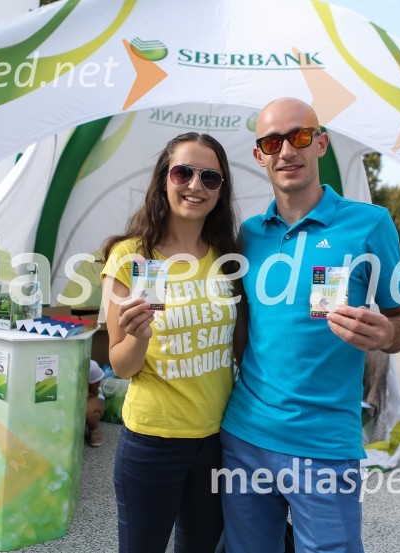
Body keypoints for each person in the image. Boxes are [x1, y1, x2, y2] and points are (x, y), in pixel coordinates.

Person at [220, 98, 400, 553]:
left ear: (321, 144)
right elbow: (243, 330)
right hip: (244, 438)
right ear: (259, 156)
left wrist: (387, 335)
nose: (286, 150)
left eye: (300, 136)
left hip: (325, 446)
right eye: (272, 141)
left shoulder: (370, 224)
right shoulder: (248, 234)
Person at [100, 132, 239, 553]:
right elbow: (121, 366)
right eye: (183, 172)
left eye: (210, 178)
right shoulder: (130, 258)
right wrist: (138, 337)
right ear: (165, 178)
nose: (195, 186)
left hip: (217, 440)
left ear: (220, 190)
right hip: (152, 441)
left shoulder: (229, 259)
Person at [86, 360, 105, 447]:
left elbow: (93, 393)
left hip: (88, 397)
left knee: (91, 412)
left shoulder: (91, 366)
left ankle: (94, 429)